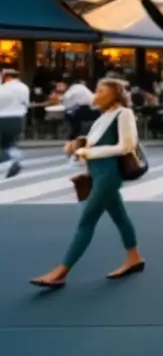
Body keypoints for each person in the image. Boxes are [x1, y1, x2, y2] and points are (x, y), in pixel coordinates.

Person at [31, 79, 144, 288]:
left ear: (115, 95)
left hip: (109, 173)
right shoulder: (102, 117)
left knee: (87, 221)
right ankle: (134, 257)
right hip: (98, 171)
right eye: (97, 90)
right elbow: (90, 145)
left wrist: (88, 151)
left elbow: (127, 146)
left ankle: (61, 271)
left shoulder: (124, 114)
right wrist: (76, 147)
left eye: (102, 91)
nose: (96, 95)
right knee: (119, 216)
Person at [0, 69, 29, 179]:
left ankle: (8, 161)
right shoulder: (24, 88)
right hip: (19, 117)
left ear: (6, 77)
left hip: (3, 117)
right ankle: (16, 161)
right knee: (10, 141)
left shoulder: (3, 88)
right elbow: (26, 103)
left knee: (4, 143)